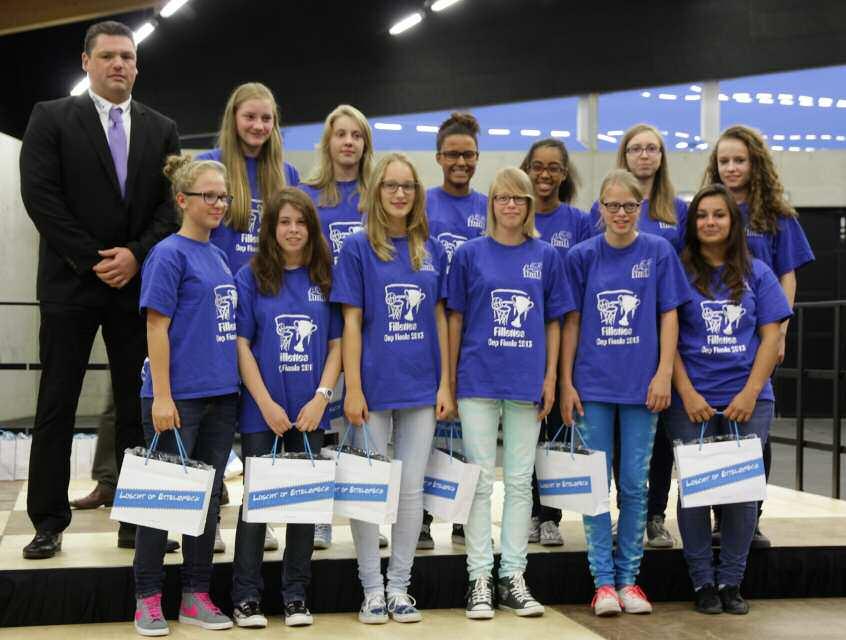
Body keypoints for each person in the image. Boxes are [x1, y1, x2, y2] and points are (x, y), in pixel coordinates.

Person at [19, 20, 180, 559]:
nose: (119, 65)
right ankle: (47, 520)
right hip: (70, 285)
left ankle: (136, 518)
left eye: (128, 57)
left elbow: (168, 207)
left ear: (137, 65)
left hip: (135, 286)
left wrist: (135, 254)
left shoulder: (161, 129)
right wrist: (94, 260)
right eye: (109, 56)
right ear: (86, 62)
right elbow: (41, 197)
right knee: (57, 403)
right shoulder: (52, 118)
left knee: (137, 405)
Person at [561, 169, 690, 616]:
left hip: (641, 388)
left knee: (635, 485)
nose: (620, 213)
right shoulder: (581, 256)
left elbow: (669, 316)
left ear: (641, 208)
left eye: (629, 206)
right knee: (597, 485)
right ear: (599, 207)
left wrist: (662, 374)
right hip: (593, 385)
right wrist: (565, 381)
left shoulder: (657, 251)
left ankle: (629, 579)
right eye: (612, 206)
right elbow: (571, 322)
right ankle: (602, 583)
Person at [331, 153, 452, 624]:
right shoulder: (359, 248)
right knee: (367, 490)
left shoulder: (430, 248)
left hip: (422, 386)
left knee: (410, 490)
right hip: (373, 389)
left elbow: (440, 319)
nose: (399, 193)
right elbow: (352, 322)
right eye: (390, 186)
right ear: (377, 191)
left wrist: (445, 382)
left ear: (417, 193)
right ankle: (370, 589)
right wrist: (354, 388)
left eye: (407, 186)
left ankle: (400, 587)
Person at [449, 167, 572, 620]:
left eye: (519, 198)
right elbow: (455, 319)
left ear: (529, 205)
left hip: (526, 382)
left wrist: (551, 378)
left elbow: (554, 321)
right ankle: (479, 577)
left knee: (520, 482)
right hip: (477, 379)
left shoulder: (545, 256)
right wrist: (449, 379)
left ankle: (513, 576)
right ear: (492, 203)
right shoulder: (469, 254)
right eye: (503, 197)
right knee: (480, 481)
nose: (511, 205)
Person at [668, 183, 791, 615]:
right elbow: (668, 340)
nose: (710, 222)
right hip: (691, 401)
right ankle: (702, 581)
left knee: (741, 494)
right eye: (702, 215)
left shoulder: (758, 272)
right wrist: (686, 392)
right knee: (696, 493)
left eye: (719, 214)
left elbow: (771, 336)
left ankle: (732, 582)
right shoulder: (678, 272)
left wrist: (749, 393)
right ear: (693, 223)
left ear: (733, 222)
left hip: (748, 400)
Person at [133, 154, 239, 636]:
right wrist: (161, 396)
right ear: (182, 200)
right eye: (209, 196)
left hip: (221, 396)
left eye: (223, 196)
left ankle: (197, 595)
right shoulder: (168, 254)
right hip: (178, 400)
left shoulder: (218, 256)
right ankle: (148, 599)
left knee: (207, 500)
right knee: (161, 500)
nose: (218, 204)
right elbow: (157, 327)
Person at [230, 187, 342, 628]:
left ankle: (295, 595)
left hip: (310, 412)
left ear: (311, 229)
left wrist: (321, 397)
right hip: (265, 412)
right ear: (271, 229)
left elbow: (336, 346)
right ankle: (246, 597)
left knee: (304, 506)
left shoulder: (325, 277)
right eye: (284, 222)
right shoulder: (252, 276)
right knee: (256, 507)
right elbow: (241, 345)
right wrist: (265, 403)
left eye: (301, 222)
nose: (293, 230)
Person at [198, 81, 299, 553]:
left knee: (263, 420)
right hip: (220, 312)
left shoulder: (287, 172)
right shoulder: (213, 166)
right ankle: (210, 516)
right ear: (233, 117)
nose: (258, 126)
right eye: (250, 117)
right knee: (219, 419)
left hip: (270, 310)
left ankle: (265, 513)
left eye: (267, 118)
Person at [703, 125, 815, 547]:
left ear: (755, 164)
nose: (731, 168)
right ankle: (717, 518)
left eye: (739, 160)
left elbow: (788, 276)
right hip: (713, 343)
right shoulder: (706, 210)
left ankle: (750, 517)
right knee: (713, 432)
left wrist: (781, 331)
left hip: (756, 341)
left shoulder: (777, 217)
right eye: (724, 160)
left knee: (753, 435)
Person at [592, 124, 689, 549]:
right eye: (636, 148)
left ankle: (654, 515)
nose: (645, 155)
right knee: (617, 446)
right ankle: (623, 516)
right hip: (612, 356)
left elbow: (682, 280)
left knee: (661, 438)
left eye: (653, 148)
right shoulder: (607, 212)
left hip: (660, 346)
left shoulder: (677, 212)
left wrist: (666, 366)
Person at [299, 104, 380, 550]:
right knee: (319, 417)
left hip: (366, 320)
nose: (348, 142)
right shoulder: (308, 194)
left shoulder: (377, 195)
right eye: (340, 134)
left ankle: (367, 514)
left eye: (356, 135)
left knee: (360, 418)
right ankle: (316, 514)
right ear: (327, 142)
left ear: (366, 144)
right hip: (319, 314)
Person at [419, 111, 488, 550]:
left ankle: (462, 516)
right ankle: (424, 517)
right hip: (430, 328)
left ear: (477, 157)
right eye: (452, 154)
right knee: (430, 431)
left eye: (468, 154)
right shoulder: (424, 204)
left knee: (468, 436)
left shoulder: (488, 206)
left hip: (475, 331)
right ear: (439, 157)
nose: (460, 161)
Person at [519, 138, 591, 548]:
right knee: (530, 426)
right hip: (526, 338)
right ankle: (531, 509)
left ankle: (551, 515)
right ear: (527, 168)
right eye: (538, 166)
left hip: (567, 333)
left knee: (557, 427)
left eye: (553, 168)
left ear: (564, 175)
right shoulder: (517, 216)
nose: (544, 174)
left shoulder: (578, 221)